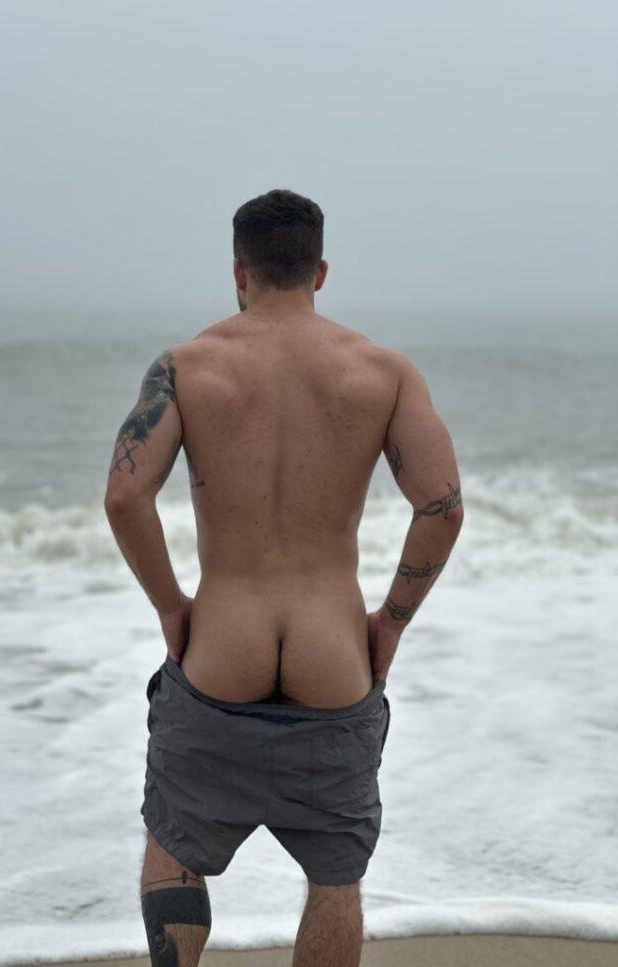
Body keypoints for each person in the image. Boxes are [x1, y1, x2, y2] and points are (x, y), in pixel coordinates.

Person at [104, 188, 465, 967]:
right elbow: (441, 506)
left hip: (219, 650)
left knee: (175, 845)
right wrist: (389, 622)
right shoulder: (384, 372)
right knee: (334, 876)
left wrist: (170, 606)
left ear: (239, 271)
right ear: (320, 271)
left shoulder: (186, 367)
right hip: (332, 656)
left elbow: (125, 495)